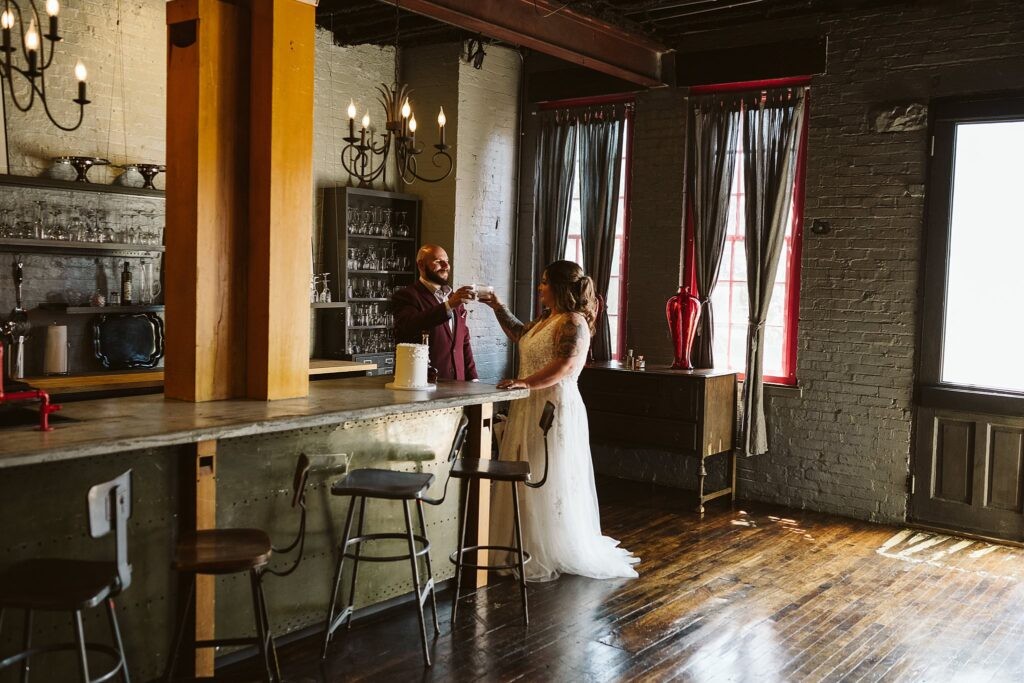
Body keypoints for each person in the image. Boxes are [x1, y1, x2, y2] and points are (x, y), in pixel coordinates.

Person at [479, 260, 639, 581]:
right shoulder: (545, 320)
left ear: (559, 287)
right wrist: (497, 306)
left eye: (543, 282)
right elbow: (520, 335)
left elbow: (565, 366)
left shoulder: (573, 322)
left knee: (545, 473)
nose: (539, 288)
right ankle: (517, 541)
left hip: (552, 404)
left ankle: (548, 547)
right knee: (525, 468)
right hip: (528, 403)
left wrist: (525, 383)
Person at [391, 244, 478, 381]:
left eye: (447, 261)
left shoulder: (453, 297)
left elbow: (464, 341)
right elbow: (409, 325)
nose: (445, 266)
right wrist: (449, 305)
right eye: (438, 261)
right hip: (422, 381)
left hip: (458, 384)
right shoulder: (406, 296)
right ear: (421, 265)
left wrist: (473, 378)